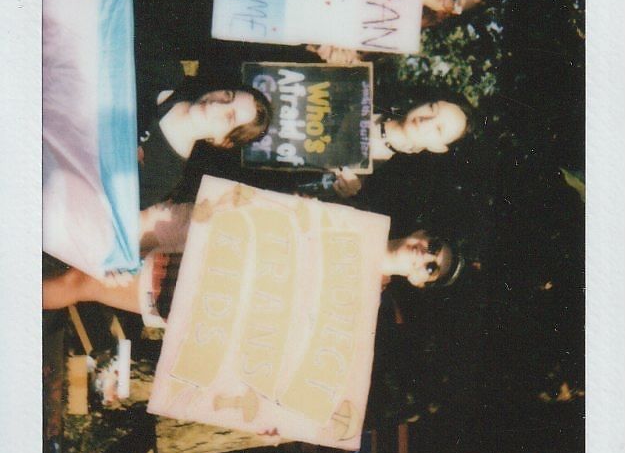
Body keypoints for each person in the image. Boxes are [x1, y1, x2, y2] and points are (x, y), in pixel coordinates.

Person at [43, 196, 463, 318]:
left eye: (430, 267)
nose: (423, 256)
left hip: (198, 285)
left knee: (78, 284)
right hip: (203, 234)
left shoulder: (360, 303)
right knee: (87, 244)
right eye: (433, 247)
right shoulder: (358, 217)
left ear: (419, 281)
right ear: (423, 234)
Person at [138, 81, 272, 208]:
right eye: (227, 95)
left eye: (229, 117)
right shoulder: (165, 74)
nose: (215, 105)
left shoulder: (162, 177)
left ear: (224, 142)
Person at [332, 94, 472, 199]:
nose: (426, 121)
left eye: (438, 129)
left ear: (437, 148)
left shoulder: (375, 179)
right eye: (432, 108)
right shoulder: (369, 94)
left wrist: (340, 188)